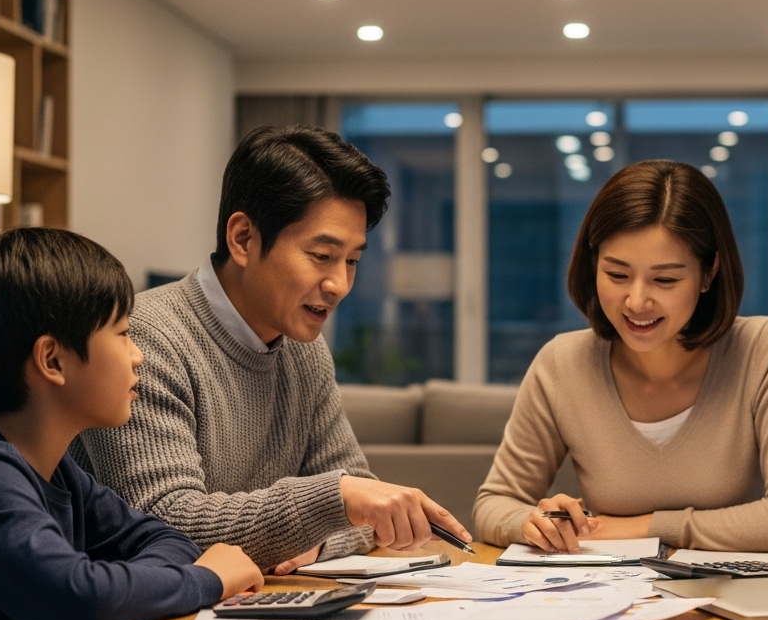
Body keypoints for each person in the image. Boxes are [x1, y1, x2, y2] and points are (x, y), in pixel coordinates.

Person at [75, 125, 471, 576]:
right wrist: (331, 502)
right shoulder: (145, 338)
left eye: (353, 260)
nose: (339, 284)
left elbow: (362, 509)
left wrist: (313, 543)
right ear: (243, 238)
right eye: (322, 255)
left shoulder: (304, 352)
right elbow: (163, 524)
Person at [0, 228, 263, 620]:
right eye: (123, 333)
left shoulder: (58, 471)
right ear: (52, 360)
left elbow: (166, 539)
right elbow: (76, 599)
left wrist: (154, 576)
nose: (137, 354)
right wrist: (206, 579)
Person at [474, 160, 768, 552]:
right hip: (605, 595)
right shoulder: (562, 362)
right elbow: (493, 504)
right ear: (593, 266)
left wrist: (643, 528)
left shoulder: (763, 349)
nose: (637, 301)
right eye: (617, 275)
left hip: (735, 596)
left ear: (709, 275)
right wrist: (532, 523)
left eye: (666, 279)